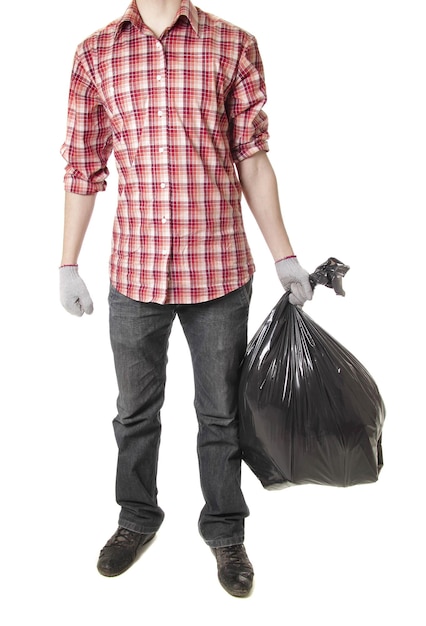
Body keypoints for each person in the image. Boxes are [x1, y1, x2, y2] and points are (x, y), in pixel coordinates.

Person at [59, 0, 313, 598]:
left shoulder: (234, 43)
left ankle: (226, 530)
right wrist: (67, 263)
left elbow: (252, 158)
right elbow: (81, 166)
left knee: (221, 414)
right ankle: (135, 518)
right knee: (134, 413)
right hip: (136, 271)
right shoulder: (94, 53)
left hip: (219, 269)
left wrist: (284, 255)